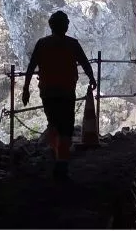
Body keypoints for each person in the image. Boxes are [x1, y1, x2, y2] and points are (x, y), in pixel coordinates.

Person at [22, 10, 96, 180]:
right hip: (66, 91)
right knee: (66, 126)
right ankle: (61, 161)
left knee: (53, 123)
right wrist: (92, 78)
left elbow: (31, 66)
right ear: (66, 26)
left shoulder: (42, 44)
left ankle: (56, 155)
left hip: (48, 91)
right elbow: (84, 63)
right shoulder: (72, 44)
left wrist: (26, 88)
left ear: (51, 26)